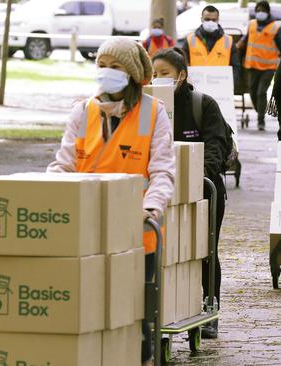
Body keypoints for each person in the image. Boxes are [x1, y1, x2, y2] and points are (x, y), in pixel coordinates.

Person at [47, 37, 175, 366]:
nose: (106, 73)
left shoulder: (153, 113)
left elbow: (162, 172)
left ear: (131, 73)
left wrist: (152, 208)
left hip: (134, 234)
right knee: (86, 315)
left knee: (134, 319)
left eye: (115, 67)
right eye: (102, 66)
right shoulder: (83, 111)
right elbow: (63, 165)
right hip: (84, 233)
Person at [152, 48, 228, 339]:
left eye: (165, 74)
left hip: (203, 193)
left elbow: (215, 148)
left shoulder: (203, 105)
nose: (159, 80)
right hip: (159, 192)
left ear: (181, 76)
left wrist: (194, 179)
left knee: (205, 251)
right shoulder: (147, 107)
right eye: (154, 74)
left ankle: (210, 309)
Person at [236, 0, 281, 131]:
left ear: (268, 12)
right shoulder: (252, 24)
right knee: (253, 93)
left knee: (261, 92)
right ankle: (260, 110)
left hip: (268, 67)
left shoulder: (275, 27)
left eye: (263, 11)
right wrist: (238, 45)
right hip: (252, 65)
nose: (260, 13)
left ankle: (260, 120)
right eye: (258, 10)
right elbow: (246, 39)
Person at [182, 5, 241, 86]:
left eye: (213, 20)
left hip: (221, 88)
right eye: (207, 19)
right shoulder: (190, 39)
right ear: (201, 19)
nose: (210, 22)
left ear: (218, 20)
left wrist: (231, 84)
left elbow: (236, 67)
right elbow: (183, 65)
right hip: (196, 88)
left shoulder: (228, 40)